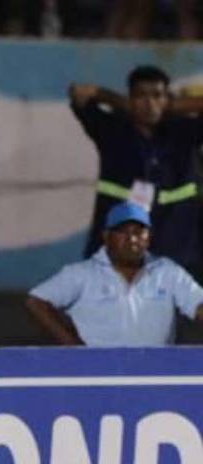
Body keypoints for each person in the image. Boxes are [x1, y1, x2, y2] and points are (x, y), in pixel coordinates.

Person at [69, 65, 203, 270]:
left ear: (168, 100)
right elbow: (78, 94)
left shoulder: (184, 132)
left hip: (176, 253)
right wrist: (111, 98)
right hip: (118, 253)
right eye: (141, 96)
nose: (150, 103)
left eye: (157, 96)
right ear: (129, 99)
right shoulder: (111, 131)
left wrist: (173, 106)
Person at [25, 200, 203, 346]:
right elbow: (36, 302)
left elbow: (198, 305)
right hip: (100, 374)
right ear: (106, 236)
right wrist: (73, 346)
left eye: (139, 231)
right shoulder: (82, 274)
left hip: (154, 372)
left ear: (148, 237)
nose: (132, 239)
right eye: (122, 231)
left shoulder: (167, 272)